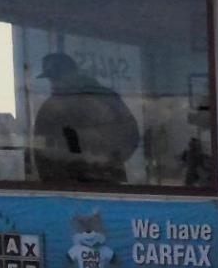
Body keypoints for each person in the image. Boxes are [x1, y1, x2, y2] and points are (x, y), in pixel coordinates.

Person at [31, 53, 140, 184]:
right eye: (52, 79)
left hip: (77, 183)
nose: (54, 84)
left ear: (71, 73)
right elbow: (42, 148)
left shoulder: (52, 107)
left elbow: (130, 136)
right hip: (106, 179)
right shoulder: (108, 97)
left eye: (57, 78)